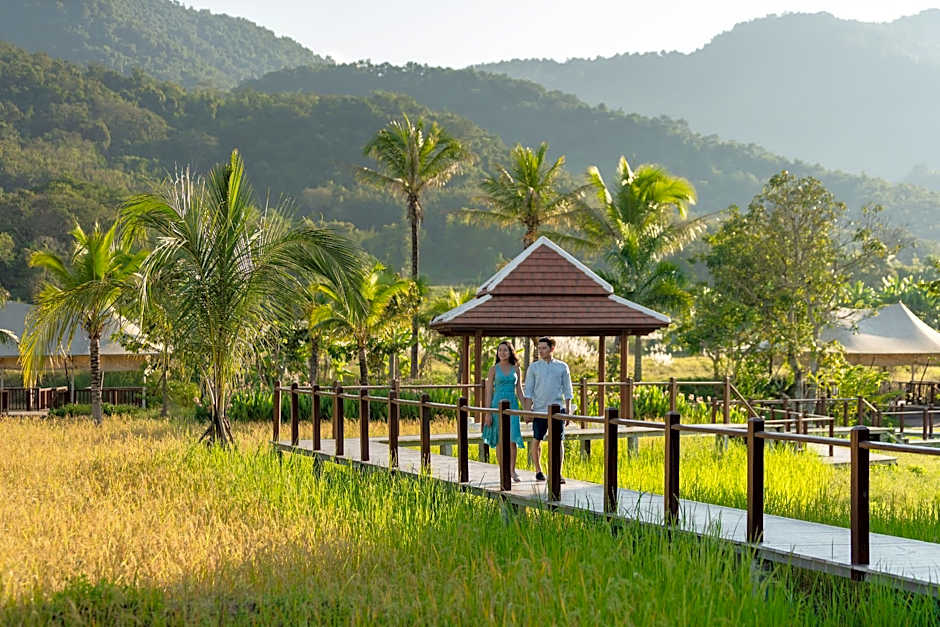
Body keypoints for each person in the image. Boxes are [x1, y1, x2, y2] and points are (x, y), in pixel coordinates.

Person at [523, 336, 573, 482]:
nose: (541, 351)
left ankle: (557, 472)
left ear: (552, 349)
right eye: (539, 348)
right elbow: (529, 391)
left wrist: (568, 411)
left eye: (544, 348)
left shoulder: (562, 367)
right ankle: (538, 470)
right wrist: (527, 411)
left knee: (558, 441)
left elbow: (568, 390)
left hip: (558, 410)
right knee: (537, 439)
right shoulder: (534, 367)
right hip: (539, 409)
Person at [482, 341, 526, 482]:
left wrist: (526, 408)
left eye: (505, 350)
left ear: (510, 352)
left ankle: (512, 471)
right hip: (497, 406)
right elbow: (488, 392)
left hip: (512, 406)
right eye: (500, 350)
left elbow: (519, 390)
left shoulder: (516, 369)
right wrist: (487, 413)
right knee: (500, 440)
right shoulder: (493, 369)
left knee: (512, 439)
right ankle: (503, 470)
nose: (502, 352)